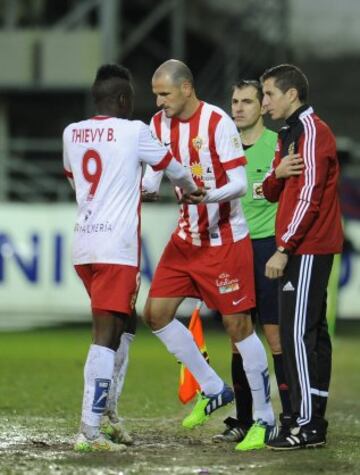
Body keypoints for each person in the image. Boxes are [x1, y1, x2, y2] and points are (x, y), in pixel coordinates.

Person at [63, 63, 201, 452]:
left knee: (124, 327)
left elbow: (76, 180)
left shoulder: (71, 132)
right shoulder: (135, 131)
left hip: (85, 245)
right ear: (124, 100)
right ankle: (89, 433)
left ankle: (107, 416)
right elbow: (174, 167)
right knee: (105, 337)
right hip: (116, 250)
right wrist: (189, 189)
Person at [142, 59, 276, 447]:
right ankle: (213, 386)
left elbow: (237, 182)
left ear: (186, 88)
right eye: (155, 94)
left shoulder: (217, 123)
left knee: (238, 328)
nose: (158, 101)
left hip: (225, 240)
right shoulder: (157, 124)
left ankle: (265, 418)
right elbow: (154, 172)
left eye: (164, 93)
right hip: (186, 239)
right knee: (156, 315)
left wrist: (207, 196)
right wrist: (145, 187)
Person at [260, 64, 343, 449]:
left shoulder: (311, 132)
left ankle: (307, 425)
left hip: (307, 247)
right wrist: (276, 173)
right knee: (312, 334)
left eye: (269, 94)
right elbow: (273, 191)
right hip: (302, 245)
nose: (264, 104)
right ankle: (312, 417)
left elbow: (309, 196)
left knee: (297, 335)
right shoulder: (289, 134)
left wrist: (283, 248)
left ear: (291, 95)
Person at [213, 80, 292, 450]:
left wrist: (286, 247)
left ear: (263, 106)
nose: (239, 107)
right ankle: (244, 420)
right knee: (237, 338)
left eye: (247, 101)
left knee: (275, 337)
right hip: (233, 248)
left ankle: (289, 418)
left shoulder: (278, 145)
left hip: (267, 250)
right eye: (234, 101)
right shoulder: (221, 147)